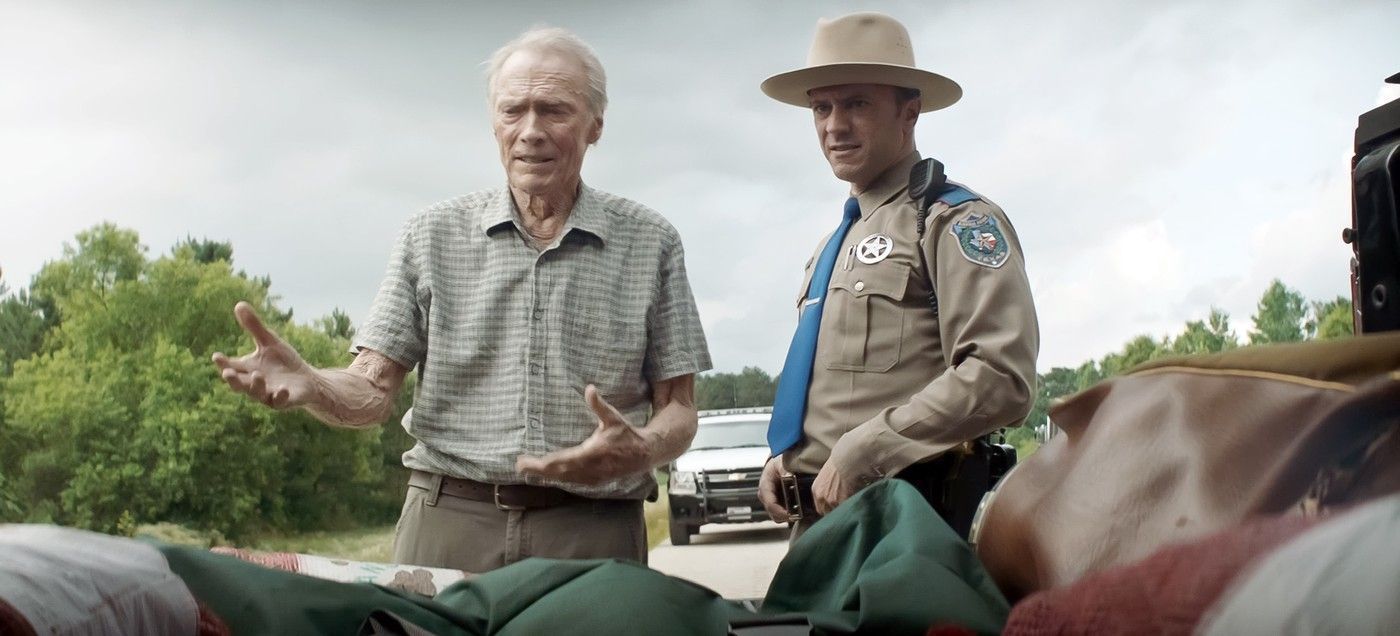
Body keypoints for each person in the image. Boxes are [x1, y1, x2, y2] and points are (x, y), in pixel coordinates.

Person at [211, 27, 711, 572]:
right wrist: (314, 383)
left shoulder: (650, 241)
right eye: (512, 111)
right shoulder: (430, 235)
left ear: (596, 126)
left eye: (554, 111)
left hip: (592, 532)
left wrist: (640, 448)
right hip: (448, 522)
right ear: (493, 122)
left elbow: (679, 409)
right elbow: (372, 389)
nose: (530, 132)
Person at [756, 12, 1039, 538]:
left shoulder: (952, 220)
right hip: (821, 525)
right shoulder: (832, 246)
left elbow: (1002, 377)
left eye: (857, 104)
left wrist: (870, 447)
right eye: (822, 107)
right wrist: (790, 456)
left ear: (909, 113)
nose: (834, 125)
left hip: (906, 525)